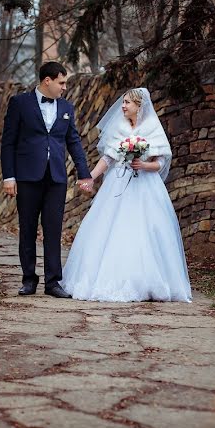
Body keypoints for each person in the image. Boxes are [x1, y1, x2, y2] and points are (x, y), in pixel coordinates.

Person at [61, 88, 192, 302]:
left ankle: (149, 282)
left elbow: (160, 163)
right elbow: (108, 159)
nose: (123, 107)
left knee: (146, 231)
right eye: (122, 102)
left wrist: (144, 164)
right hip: (118, 184)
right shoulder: (119, 128)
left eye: (128, 103)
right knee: (109, 228)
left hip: (146, 186)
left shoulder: (152, 128)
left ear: (139, 106)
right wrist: (90, 177)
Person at [0, 62, 92, 298]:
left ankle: (53, 282)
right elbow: (8, 142)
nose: (64, 87)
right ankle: (28, 280)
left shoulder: (66, 107)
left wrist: (84, 173)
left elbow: (73, 142)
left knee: (53, 230)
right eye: (61, 82)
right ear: (47, 81)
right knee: (28, 229)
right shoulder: (20, 104)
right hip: (27, 176)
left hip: (56, 178)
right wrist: (8, 176)